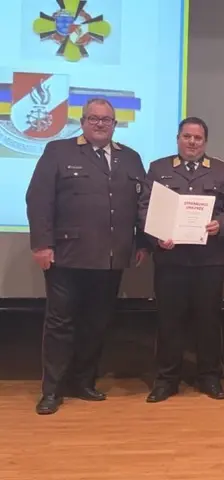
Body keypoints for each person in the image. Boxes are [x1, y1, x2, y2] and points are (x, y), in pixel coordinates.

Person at [26, 98, 148, 415]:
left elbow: (142, 205)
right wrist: (42, 245)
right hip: (67, 257)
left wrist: (142, 242)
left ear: (115, 124)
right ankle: (52, 390)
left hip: (111, 258)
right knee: (60, 325)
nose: (100, 124)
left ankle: (82, 382)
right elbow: (38, 199)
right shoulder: (59, 151)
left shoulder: (130, 158)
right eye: (93, 118)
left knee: (96, 324)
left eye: (106, 119)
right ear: (82, 122)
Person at [140, 117, 224, 403]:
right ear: (178, 138)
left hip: (209, 260)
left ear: (205, 142)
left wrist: (221, 224)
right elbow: (144, 208)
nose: (192, 142)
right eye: (187, 136)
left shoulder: (222, 170)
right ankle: (166, 380)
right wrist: (157, 235)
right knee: (169, 321)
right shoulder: (159, 169)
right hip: (171, 259)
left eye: (198, 138)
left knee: (209, 320)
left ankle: (210, 377)